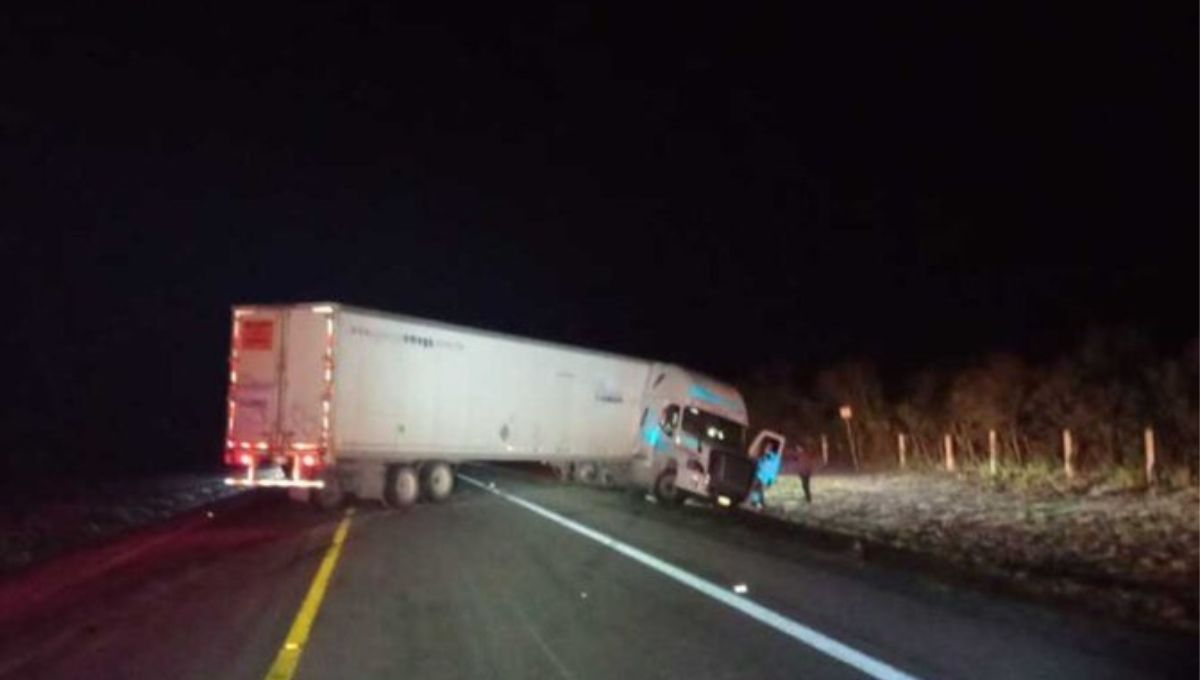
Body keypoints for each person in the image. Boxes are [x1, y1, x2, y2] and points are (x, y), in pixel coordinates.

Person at [749, 440, 783, 510]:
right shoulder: (764, 457)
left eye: (768, 447)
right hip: (760, 477)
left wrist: (770, 481)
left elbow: (773, 469)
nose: (766, 448)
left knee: (758, 489)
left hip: (765, 478)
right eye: (766, 447)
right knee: (757, 489)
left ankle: (758, 504)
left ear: (771, 448)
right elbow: (759, 465)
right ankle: (757, 503)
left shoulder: (774, 457)